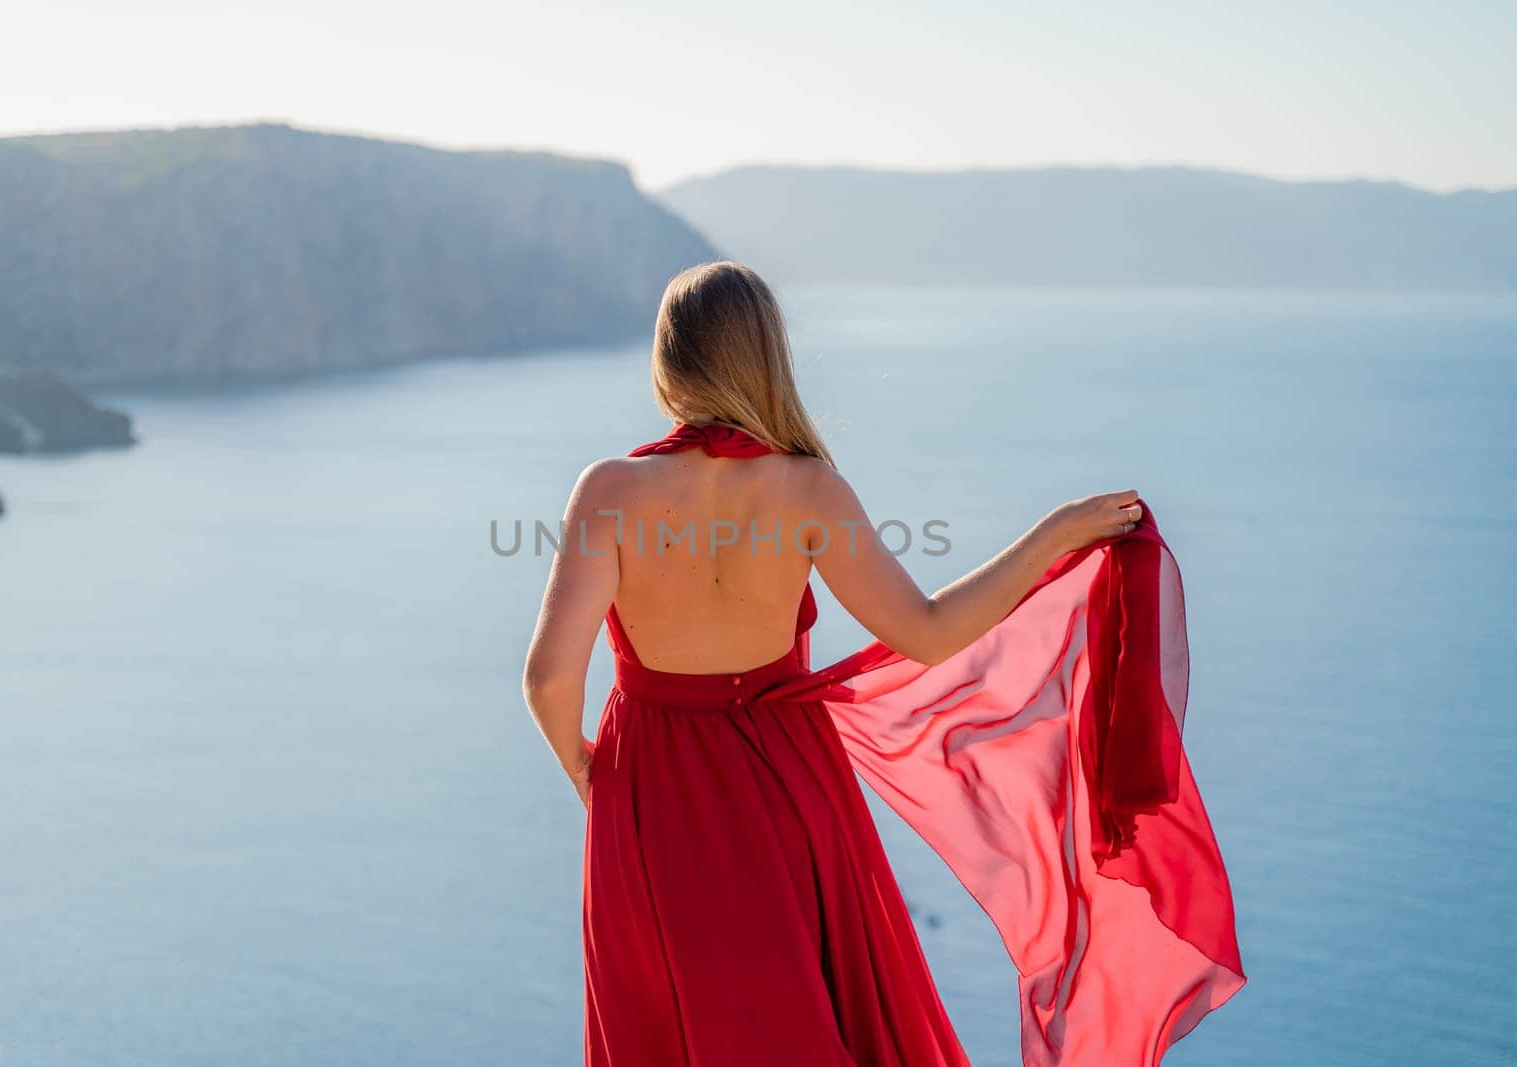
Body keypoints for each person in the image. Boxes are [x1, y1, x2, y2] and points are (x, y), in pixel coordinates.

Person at [524, 261, 1243, 1066]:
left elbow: (549, 679)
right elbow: (929, 632)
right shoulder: (810, 491)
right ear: (765, 356)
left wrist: (587, 769)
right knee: (810, 1020)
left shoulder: (609, 491)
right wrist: (1051, 537)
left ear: (669, 358)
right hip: (788, 786)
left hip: (649, 795)